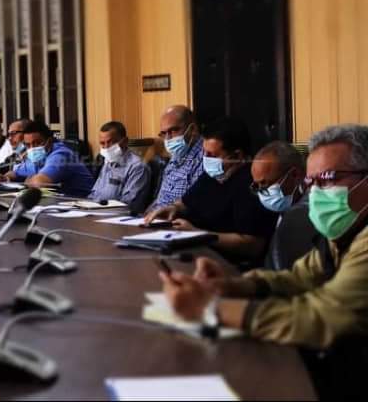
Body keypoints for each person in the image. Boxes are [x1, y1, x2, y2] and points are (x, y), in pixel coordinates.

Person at [159, 124, 368, 354]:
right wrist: (234, 285)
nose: (315, 194)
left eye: (328, 178)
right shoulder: (345, 231)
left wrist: (213, 308)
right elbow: (300, 277)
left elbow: (325, 319)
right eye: (311, 182)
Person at [145, 117, 278, 266]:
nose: (205, 159)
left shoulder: (251, 183)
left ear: (237, 156)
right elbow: (185, 203)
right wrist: (173, 208)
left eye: (212, 155)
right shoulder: (214, 173)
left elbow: (253, 245)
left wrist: (198, 234)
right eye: (204, 153)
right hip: (194, 251)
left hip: (224, 264)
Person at [251, 141, 321, 270]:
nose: (262, 192)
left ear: (295, 175)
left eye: (265, 184)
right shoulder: (288, 208)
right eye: (257, 186)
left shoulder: (310, 214)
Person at [0, 121, 94, 197]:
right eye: (28, 145)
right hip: (61, 202)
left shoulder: (61, 154)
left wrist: (28, 180)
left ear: (49, 141)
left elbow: (40, 183)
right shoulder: (37, 156)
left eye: (37, 143)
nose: (32, 148)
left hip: (83, 203)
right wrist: (5, 177)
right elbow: (16, 173)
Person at [148, 105, 204, 210]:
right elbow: (161, 198)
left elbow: (196, 206)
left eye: (173, 130)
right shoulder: (177, 154)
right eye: (164, 133)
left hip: (175, 218)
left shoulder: (206, 157)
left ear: (193, 129)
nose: (168, 138)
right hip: (157, 216)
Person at [88, 121, 152, 212]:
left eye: (110, 142)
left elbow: (129, 205)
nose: (106, 147)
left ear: (125, 141)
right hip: (97, 212)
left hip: (117, 215)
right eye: (102, 143)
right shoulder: (107, 162)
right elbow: (94, 194)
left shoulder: (137, 167)